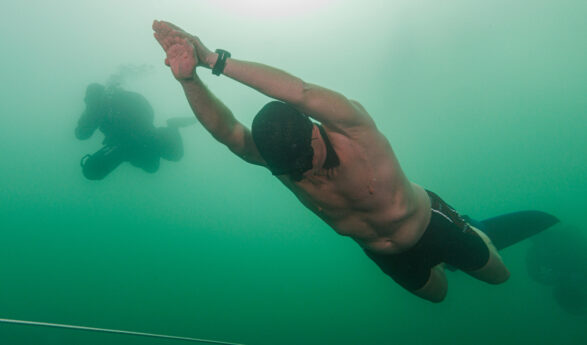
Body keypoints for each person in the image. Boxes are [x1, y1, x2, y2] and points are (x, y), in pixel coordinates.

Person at [152, 20, 511, 303]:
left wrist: (215, 60)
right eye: (291, 169)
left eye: (305, 160)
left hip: (429, 223)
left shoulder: (352, 129)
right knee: (439, 296)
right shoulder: (283, 161)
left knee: (499, 277)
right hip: (383, 253)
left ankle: (471, 227)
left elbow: (301, 91)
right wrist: (188, 79)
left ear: (312, 130)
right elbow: (228, 132)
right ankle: (446, 264)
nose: (302, 172)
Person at [75, 83, 194, 180]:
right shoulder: (97, 109)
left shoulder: (111, 103)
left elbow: (81, 134)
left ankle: (172, 125)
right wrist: (91, 112)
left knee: (169, 158)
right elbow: (81, 134)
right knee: (152, 167)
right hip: (129, 141)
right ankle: (172, 127)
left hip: (137, 136)